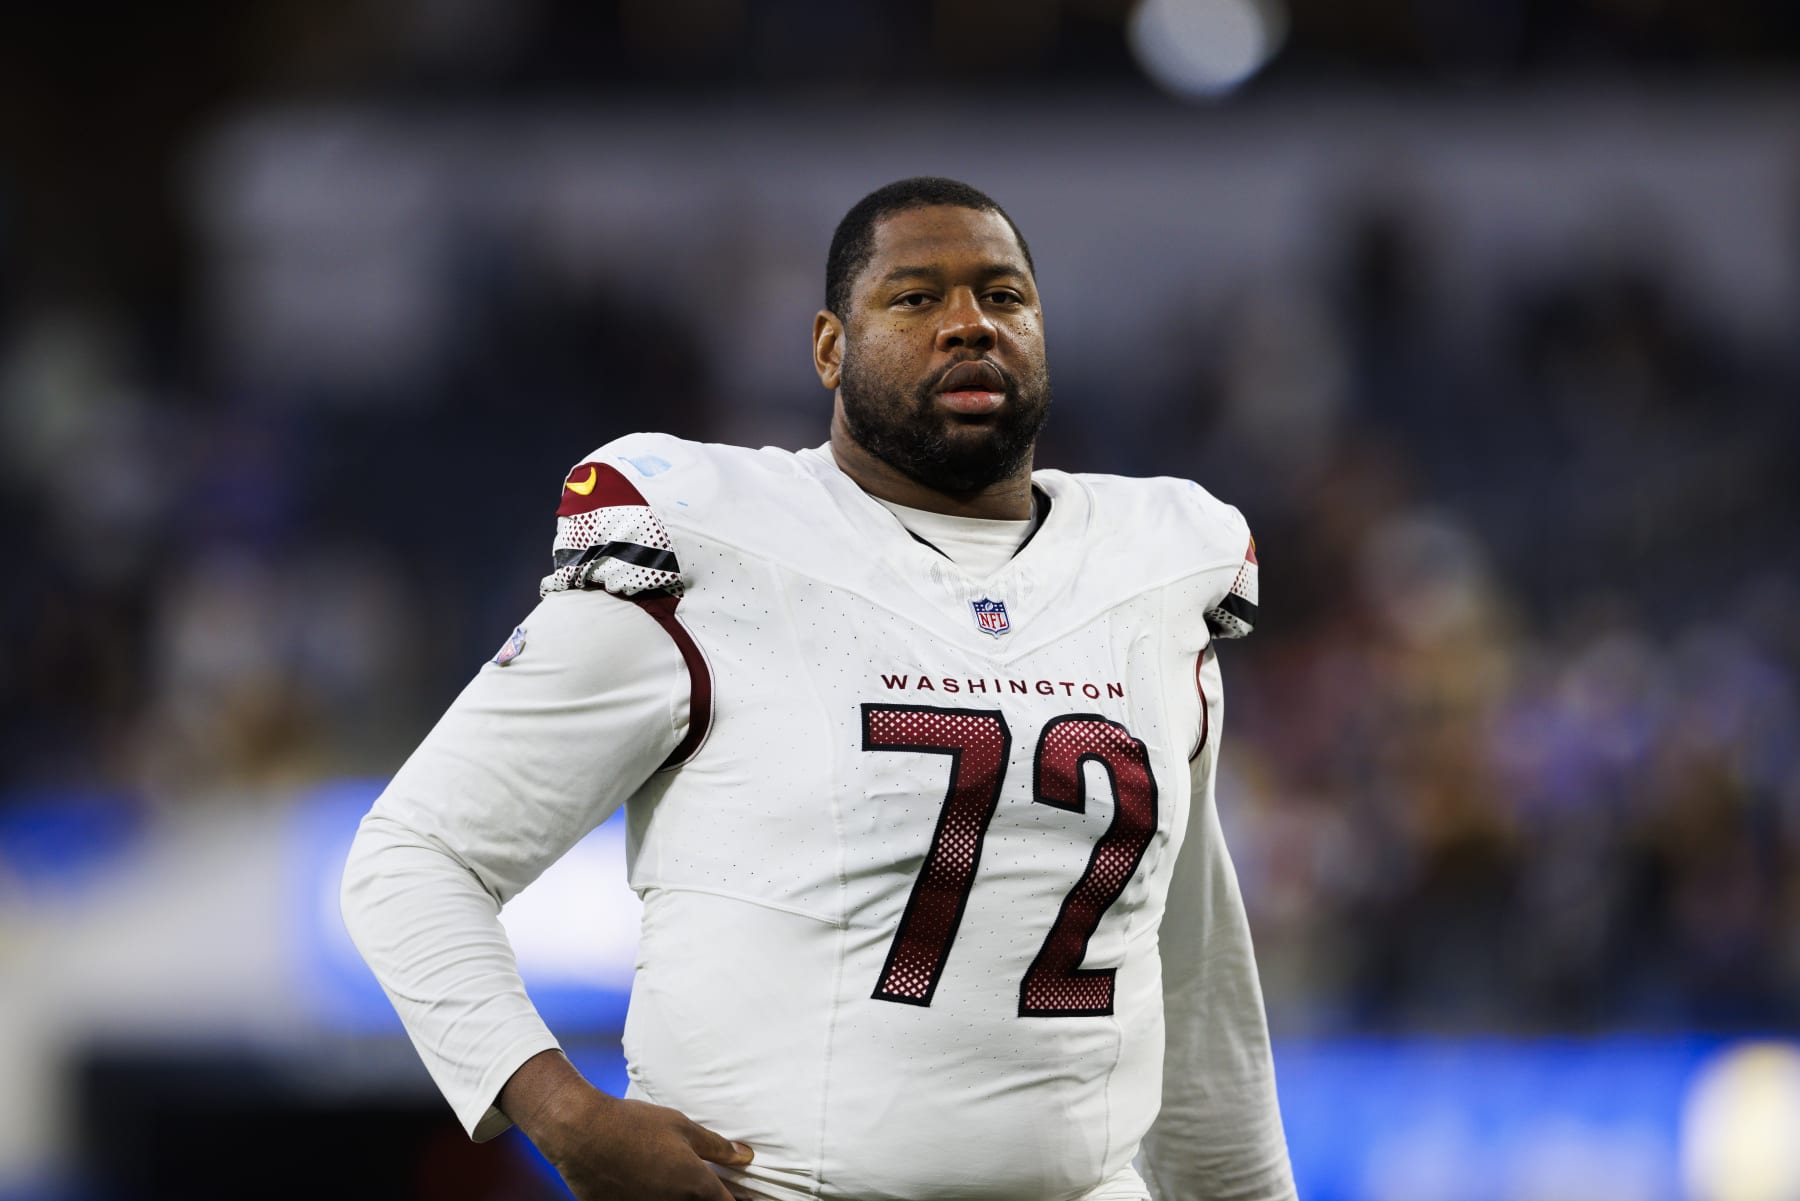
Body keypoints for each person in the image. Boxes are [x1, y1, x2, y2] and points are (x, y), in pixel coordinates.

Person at [341, 177, 1296, 1201]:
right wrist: (563, 1114)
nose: (968, 324)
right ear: (829, 348)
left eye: (1003, 295)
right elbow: (413, 856)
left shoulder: (1151, 570)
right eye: (916, 298)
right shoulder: (714, 546)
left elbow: (1194, 979)